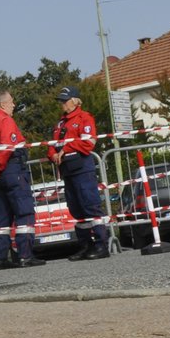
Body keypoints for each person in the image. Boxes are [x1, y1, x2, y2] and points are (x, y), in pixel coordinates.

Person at [0, 91, 46, 269]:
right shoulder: (5, 120)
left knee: (1, 218)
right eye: (12, 102)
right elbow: (6, 149)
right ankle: (25, 256)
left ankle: (0, 259)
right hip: (13, 171)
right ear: (2, 105)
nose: (14, 105)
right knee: (24, 213)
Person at [48, 85, 109, 260]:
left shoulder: (84, 118)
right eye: (60, 101)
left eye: (64, 100)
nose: (62, 104)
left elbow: (88, 143)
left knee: (91, 206)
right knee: (76, 209)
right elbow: (52, 145)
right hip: (67, 171)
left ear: (75, 101)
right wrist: (53, 155)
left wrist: (66, 149)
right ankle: (86, 245)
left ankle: (101, 245)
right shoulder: (60, 123)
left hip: (82, 169)